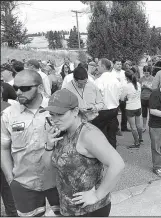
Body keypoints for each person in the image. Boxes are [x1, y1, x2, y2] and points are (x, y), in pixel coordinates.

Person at [41, 89, 125, 217]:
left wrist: (97, 195)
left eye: (60, 114)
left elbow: (117, 164)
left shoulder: (88, 134)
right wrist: (49, 146)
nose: (55, 119)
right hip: (68, 208)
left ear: (75, 111)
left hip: (89, 210)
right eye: (52, 114)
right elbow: (48, 167)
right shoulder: (62, 132)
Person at [1, 70, 60, 216]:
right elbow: (3, 147)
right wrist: (10, 177)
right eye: (16, 88)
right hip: (24, 184)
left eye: (25, 88)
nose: (19, 92)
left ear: (40, 87)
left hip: (58, 182)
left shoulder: (57, 109)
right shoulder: (9, 114)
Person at [93, 58, 122, 149]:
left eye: (98, 65)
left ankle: (102, 156)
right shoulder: (116, 80)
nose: (97, 67)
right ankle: (113, 155)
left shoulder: (99, 81)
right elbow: (119, 94)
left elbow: (96, 96)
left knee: (101, 134)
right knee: (112, 134)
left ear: (103, 66)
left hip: (103, 111)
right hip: (114, 109)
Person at [0, 85, 18, 217]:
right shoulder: (11, 109)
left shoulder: (9, 109)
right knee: (9, 189)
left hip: (6, 154)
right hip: (7, 155)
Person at [120, 70, 143, 149]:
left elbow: (122, 98)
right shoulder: (138, 84)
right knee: (138, 125)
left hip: (130, 108)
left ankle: (136, 143)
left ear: (126, 78)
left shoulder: (126, 86)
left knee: (133, 127)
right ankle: (140, 139)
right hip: (138, 106)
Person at [112, 59, 130, 132]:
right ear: (114, 65)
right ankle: (115, 128)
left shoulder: (124, 73)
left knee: (125, 112)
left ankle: (124, 127)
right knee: (114, 112)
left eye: (120, 64)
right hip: (114, 95)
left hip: (123, 95)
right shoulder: (111, 73)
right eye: (117, 64)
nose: (119, 65)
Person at [139, 65, 154, 132]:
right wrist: (142, 87)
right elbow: (139, 89)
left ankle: (151, 126)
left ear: (150, 72)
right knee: (144, 113)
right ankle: (144, 126)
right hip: (143, 98)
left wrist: (147, 86)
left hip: (151, 98)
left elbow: (154, 89)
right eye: (145, 73)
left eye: (147, 73)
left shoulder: (153, 79)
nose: (146, 74)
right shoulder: (141, 79)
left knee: (151, 113)